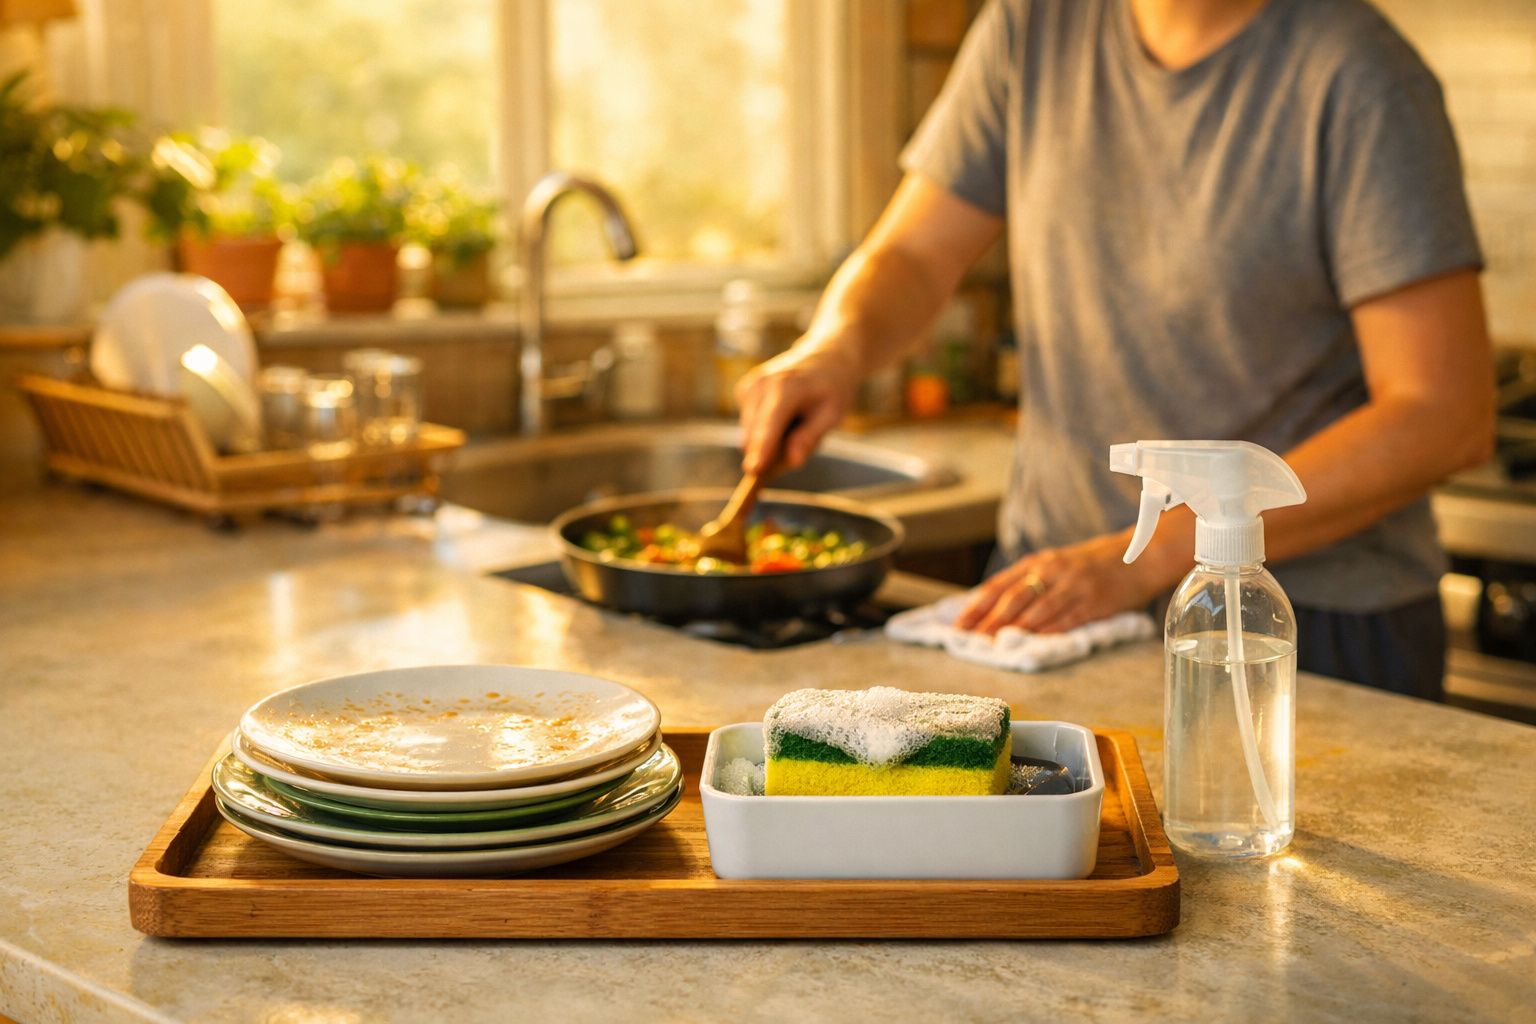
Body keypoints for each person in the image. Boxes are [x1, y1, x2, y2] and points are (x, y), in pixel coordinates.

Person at [734, 0, 1496, 700]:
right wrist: (833, 349)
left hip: (1297, 623)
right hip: (1051, 604)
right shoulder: (1032, 27)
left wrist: (1143, 557)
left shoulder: (1359, 76)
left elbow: (1442, 414)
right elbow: (915, 255)